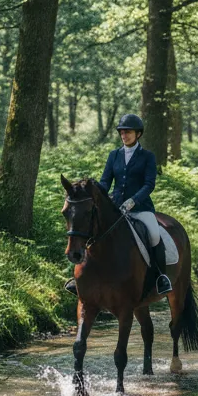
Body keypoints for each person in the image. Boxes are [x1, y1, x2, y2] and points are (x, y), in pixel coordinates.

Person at [65, 113, 173, 296]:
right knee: (89, 231)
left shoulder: (147, 156)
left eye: (128, 132)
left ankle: (160, 277)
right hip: (115, 208)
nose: (124, 135)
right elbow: (105, 182)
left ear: (138, 134)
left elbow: (149, 184)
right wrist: (94, 192)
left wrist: (133, 200)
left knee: (154, 235)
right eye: (122, 132)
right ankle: (80, 278)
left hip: (140, 208)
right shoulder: (114, 155)